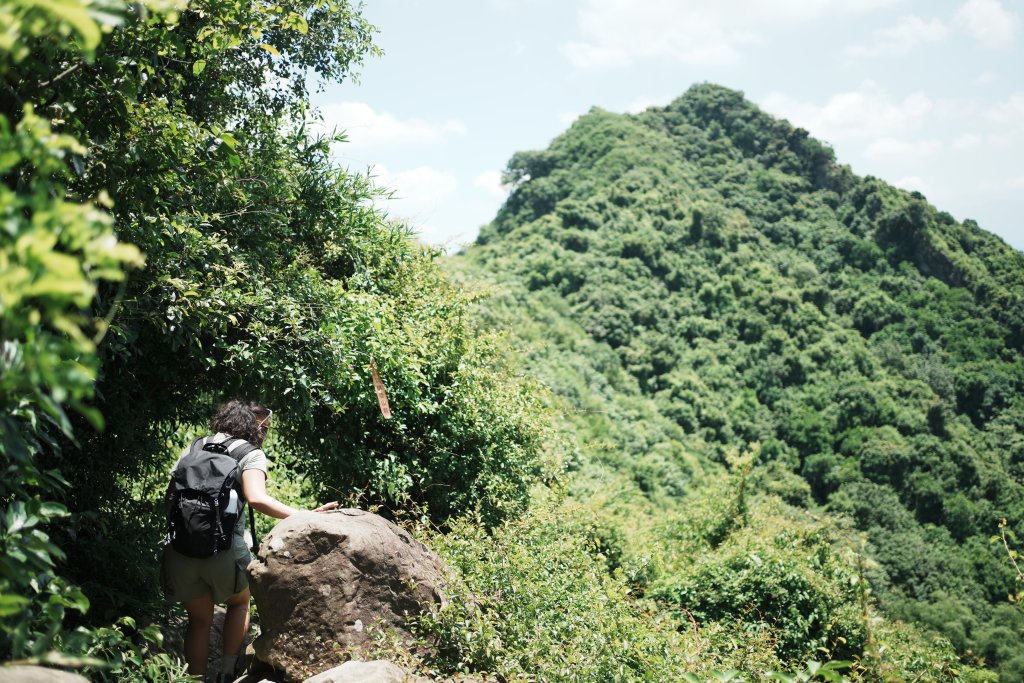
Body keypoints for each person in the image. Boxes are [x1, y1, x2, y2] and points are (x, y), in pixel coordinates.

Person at [162, 400, 337, 682]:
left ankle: (193, 680)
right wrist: (303, 514)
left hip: (180, 549)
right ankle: (226, 672)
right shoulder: (250, 453)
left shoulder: (195, 446)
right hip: (225, 550)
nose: (264, 434)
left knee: (199, 621)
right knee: (240, 603)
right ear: (251, 427)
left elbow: (170, 498)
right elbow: (256, 498)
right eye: (263, 429)